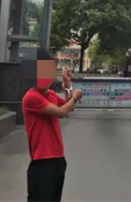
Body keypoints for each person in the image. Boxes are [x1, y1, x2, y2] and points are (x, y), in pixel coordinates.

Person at [22, 57, 83, 202]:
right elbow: (61, 112)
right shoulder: (32, 97)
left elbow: (68, 107)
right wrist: (75, 97)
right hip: (42, 161)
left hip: (58, 159)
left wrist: (67, 85)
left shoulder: (50, 94)